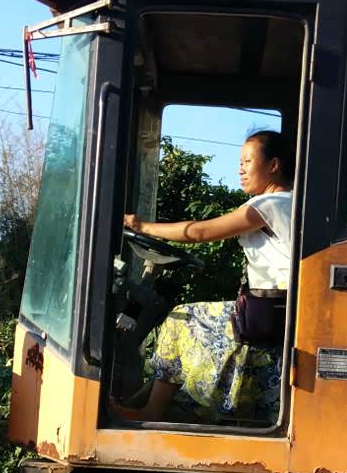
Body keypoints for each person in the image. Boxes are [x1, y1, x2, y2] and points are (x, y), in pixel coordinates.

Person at [116, 130, 293, 422]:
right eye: (240, 162)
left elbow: (200, 232)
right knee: (187, 341)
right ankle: (135, 405)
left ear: (273, 165)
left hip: (269, 316)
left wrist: (142, 226)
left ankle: (151, 411)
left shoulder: (268, 205)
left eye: (248, 161)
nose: (240, 169)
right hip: (282, 312)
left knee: (180, 319)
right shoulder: (294, 203)